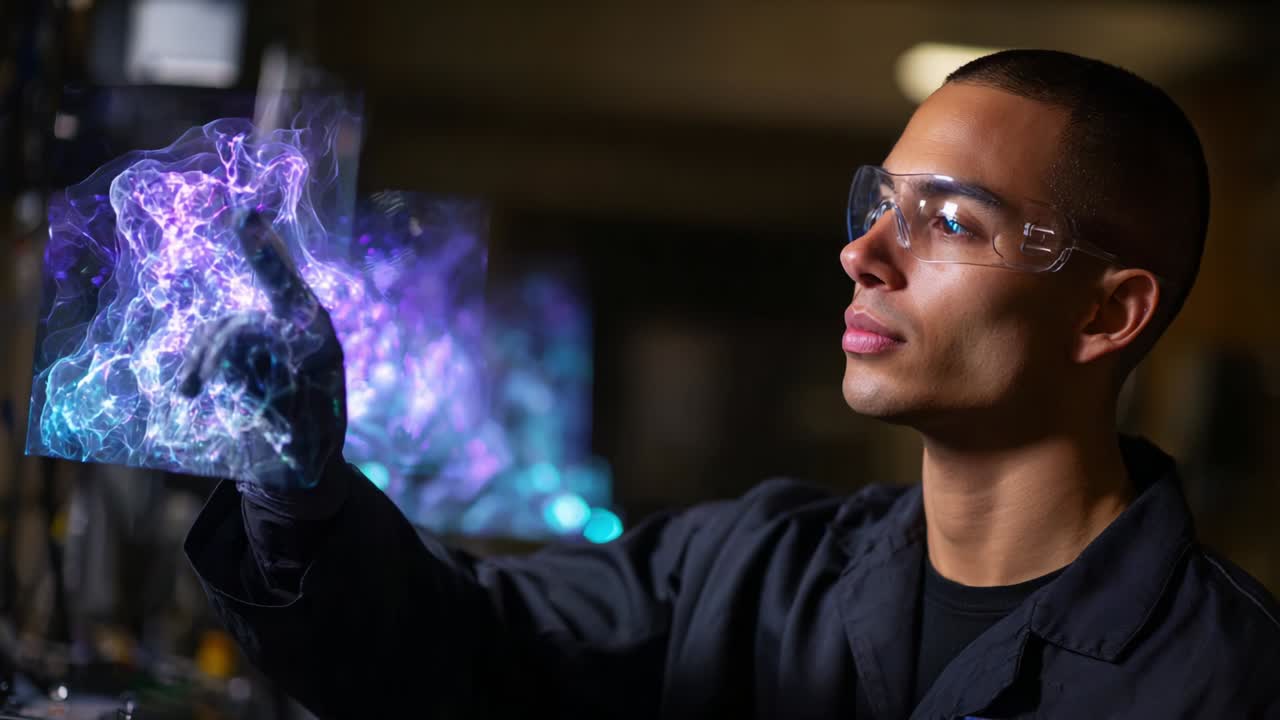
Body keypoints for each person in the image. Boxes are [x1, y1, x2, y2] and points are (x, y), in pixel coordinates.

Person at [182, 49, 1280, 719]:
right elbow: (450, 659)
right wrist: (302, 495)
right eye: (878, 203)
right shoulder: (741, 570)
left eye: (947, 220)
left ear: (1106, 313)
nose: (863, 253)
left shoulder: (1227, 683)